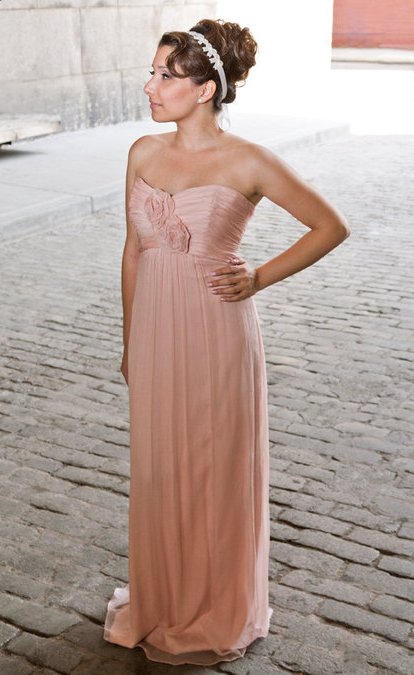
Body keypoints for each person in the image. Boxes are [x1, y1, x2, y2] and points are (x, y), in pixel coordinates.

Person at [103, 17, 350, 667]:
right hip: (155, 329)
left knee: (212, 467)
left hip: (217, 330)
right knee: (159, 469)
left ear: (205, 89)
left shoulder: (248, 160)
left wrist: (259, 276)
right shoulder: (142, 153)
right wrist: (130, 339)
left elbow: (330, 225)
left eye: (165, 75)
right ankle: (163, 597)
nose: (150, 86)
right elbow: (133, 251)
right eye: (152, 72)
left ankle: (214, 606)